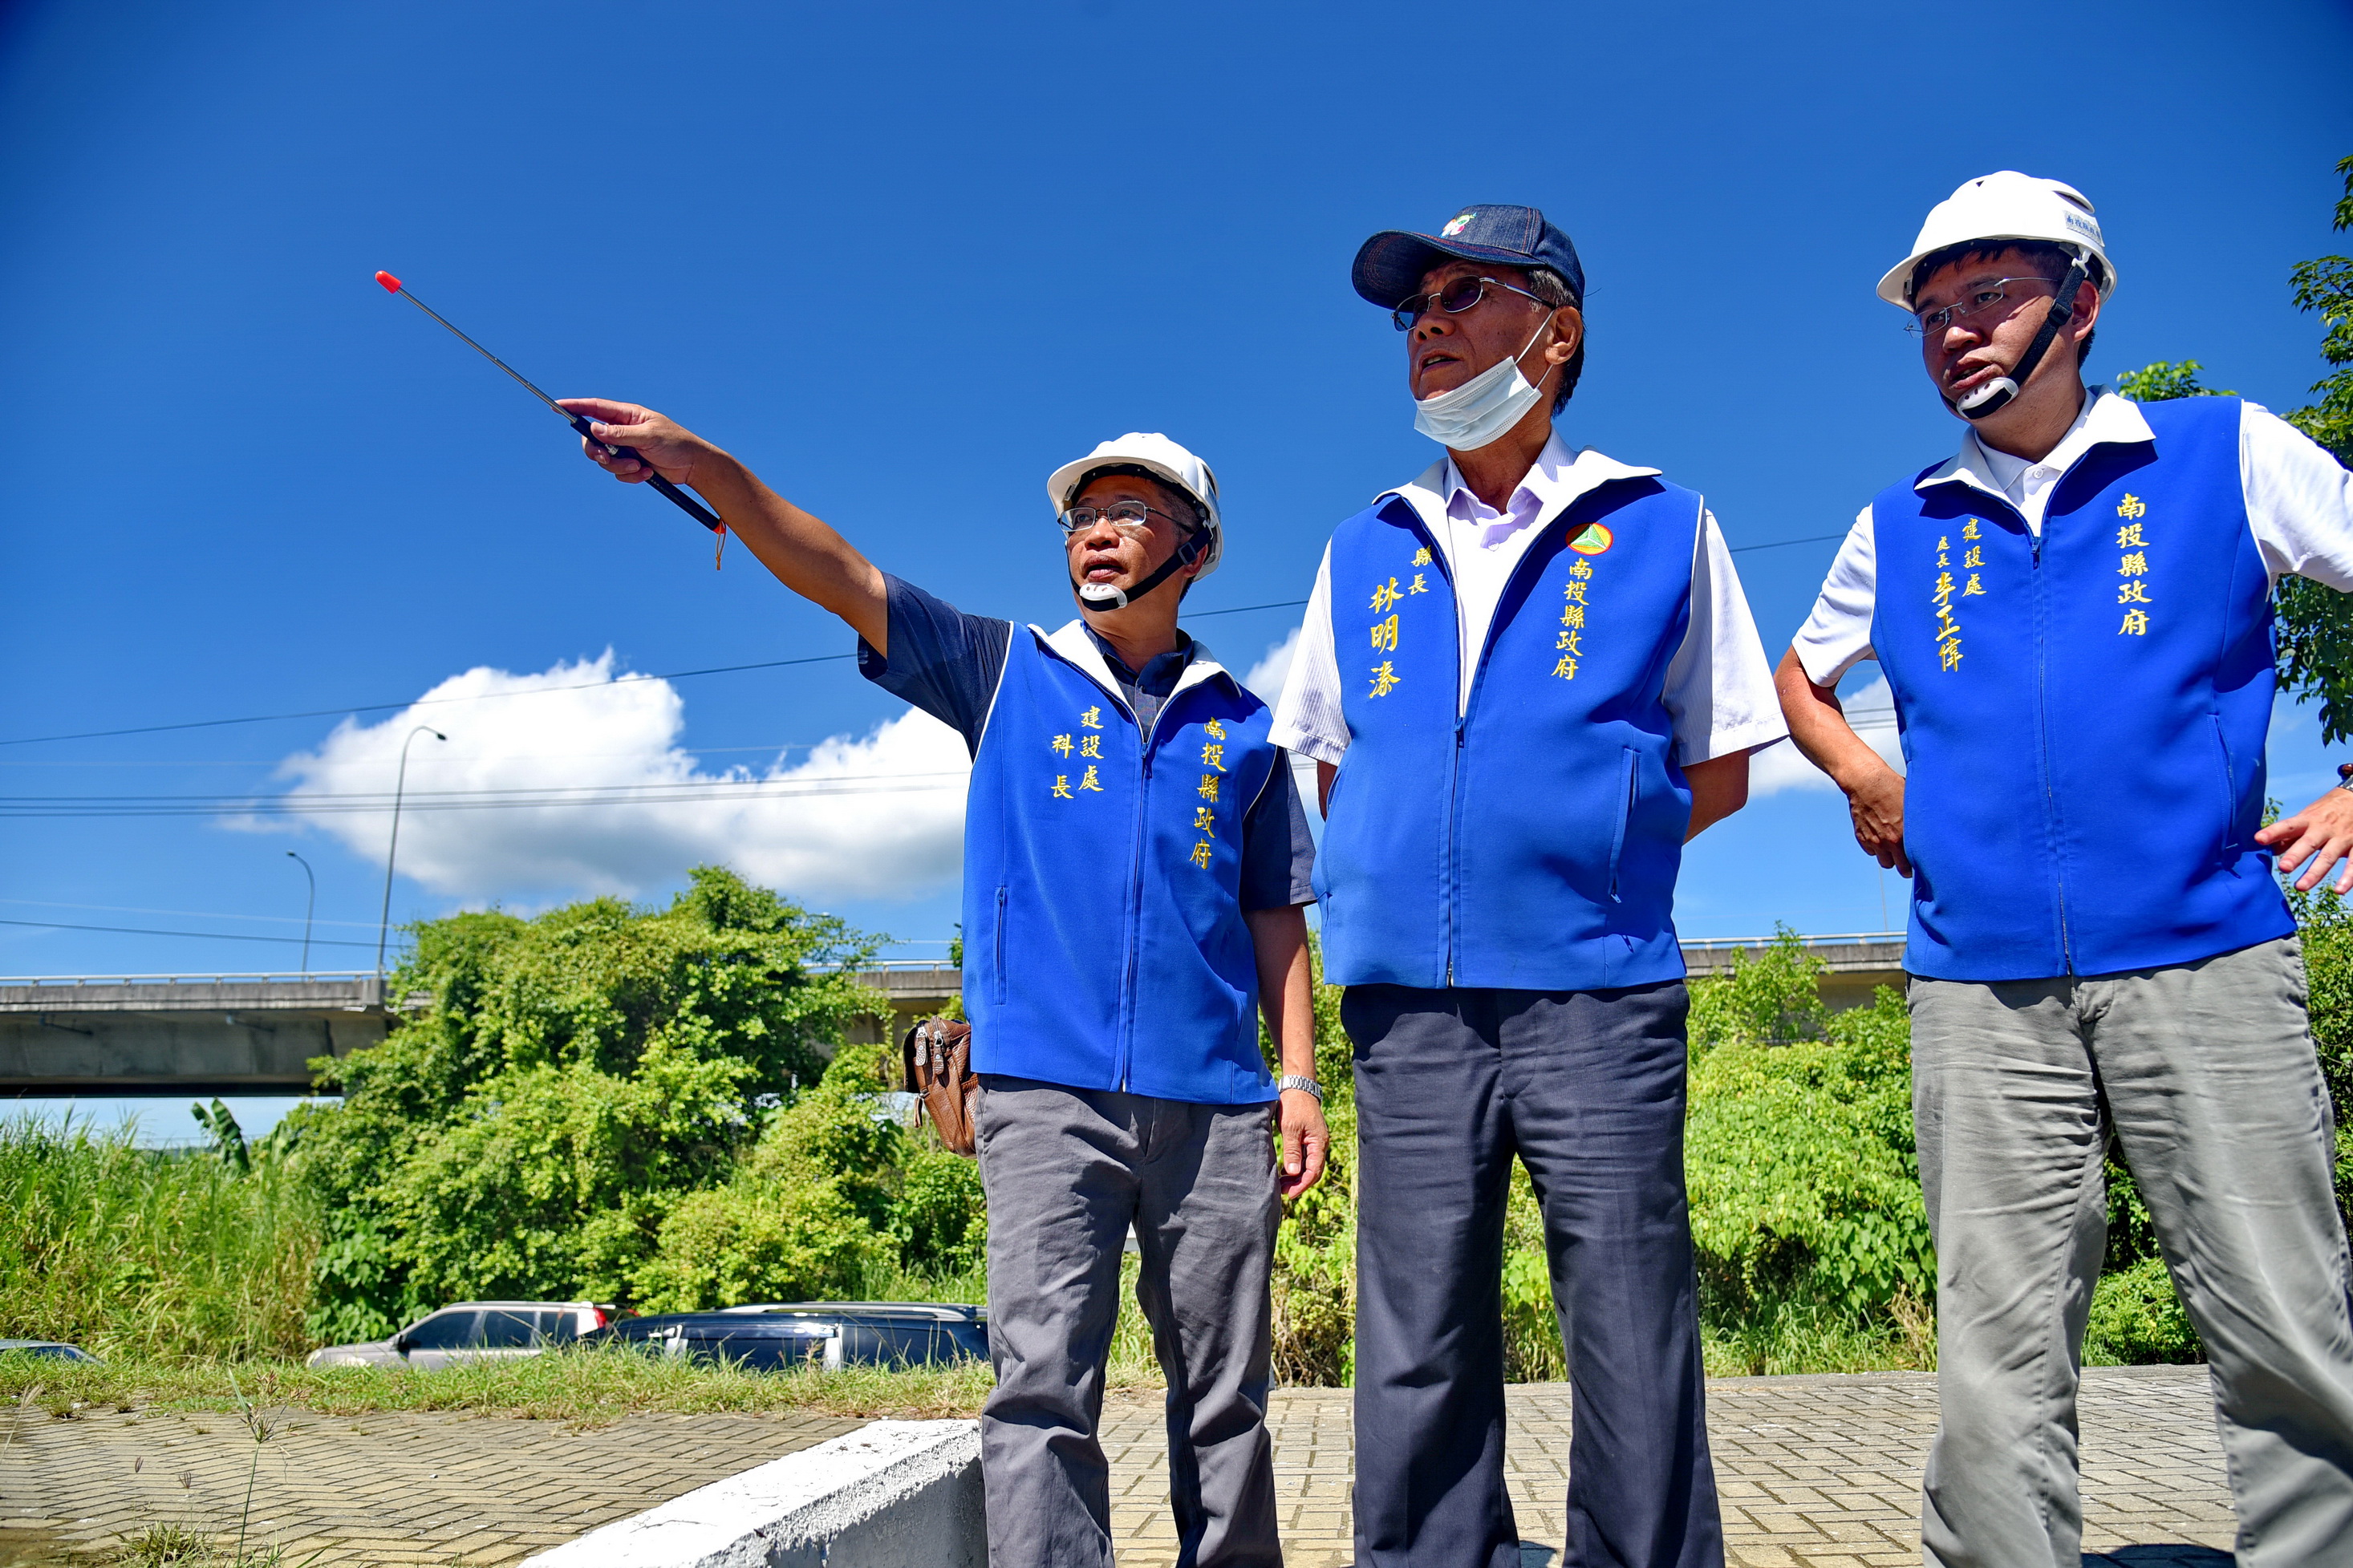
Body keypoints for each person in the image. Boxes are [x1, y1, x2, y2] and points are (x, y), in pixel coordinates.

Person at [558, 407, 1329, 1568]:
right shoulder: (1002, 669)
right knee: (1040, 1390)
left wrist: (1298, 1079)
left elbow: (1276, 915)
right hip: (1045, 1097)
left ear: (1196, 547)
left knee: (1225, 1399)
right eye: (1083, 516)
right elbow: (837, 573)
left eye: (1131, 513)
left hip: (1217, 1109)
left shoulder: (1246, 727)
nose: (1097, 535)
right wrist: (702, 466)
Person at [1775, 171, 2353, 1567]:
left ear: (2080, 302)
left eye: (1989, 297)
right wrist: (1866, 775)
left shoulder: (2221, 453)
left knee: (2282, 1321)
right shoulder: (1898, 520)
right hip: (1977, 985)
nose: (1956, 333)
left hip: (2205, 951)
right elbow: (1796, 676)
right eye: (1932, 312)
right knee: (1996, 1348)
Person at [1272, 205, 1786, 1568]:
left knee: (1626, 1322)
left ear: (1551, 335)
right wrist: (1407, 874)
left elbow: (1717, 762)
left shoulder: (1662, 524)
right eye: (1411, 308)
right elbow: (1330, 761)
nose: (1424, 325)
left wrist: (1576, 861)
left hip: (1596, 993)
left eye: (1460, 295)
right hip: (1407, 1010)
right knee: (1417, 1332)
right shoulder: (1361, 545)